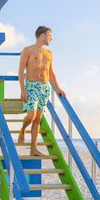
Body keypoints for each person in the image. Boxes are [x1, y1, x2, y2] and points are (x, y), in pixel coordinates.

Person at [18, 26, 66, 156]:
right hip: (31, 86)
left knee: (38, 119)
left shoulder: (49, 54)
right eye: (50, 35)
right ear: (43, 35)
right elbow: (21, 71)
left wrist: (58, 88)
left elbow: (50, 73)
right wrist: (23, 89)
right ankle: (22, 130)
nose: (51, 38)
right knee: (31, 116)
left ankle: (33, 149)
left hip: (44, 88)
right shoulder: (27, 50)